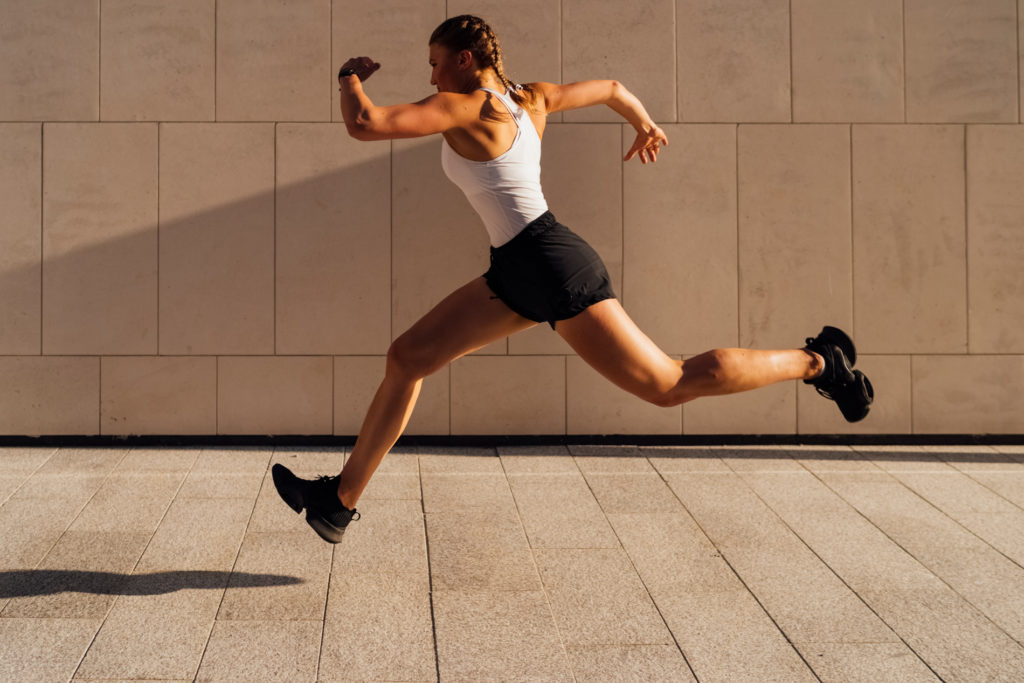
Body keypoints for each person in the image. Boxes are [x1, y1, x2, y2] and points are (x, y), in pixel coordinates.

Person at [273, 15, 874, 544]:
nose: (431, 80)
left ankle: (818, 362)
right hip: (520, 264)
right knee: (407, 357)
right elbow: (612, 88)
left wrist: (350, 76)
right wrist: (644, 124)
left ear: (464, 60)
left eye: (434, 65)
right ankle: (338, 504)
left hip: (551, 265)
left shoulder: (470, 105)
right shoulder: (529, 97)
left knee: (670, 383)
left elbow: (366, 124)